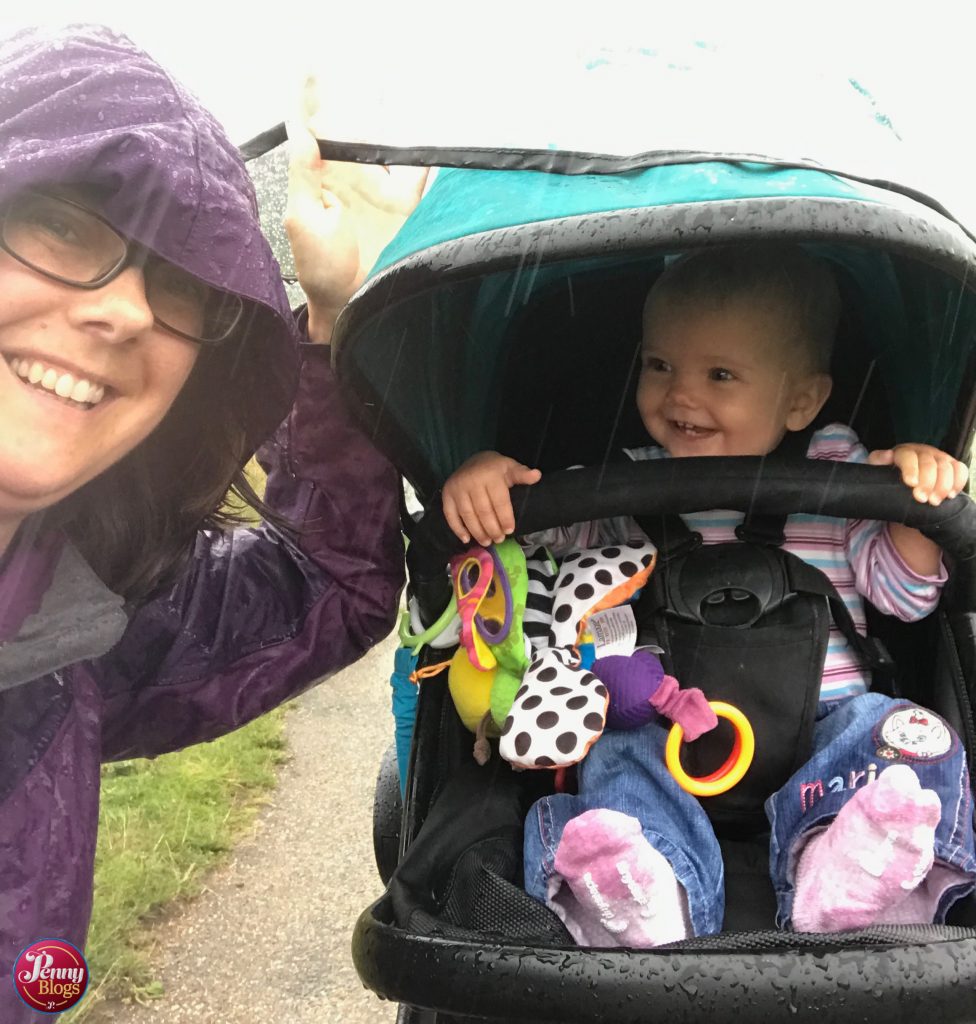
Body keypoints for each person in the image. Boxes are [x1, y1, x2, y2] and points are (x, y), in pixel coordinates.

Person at [0, 23, 421, 1014]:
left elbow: (324, 584)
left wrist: (337, 313)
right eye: (66, 223)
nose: (127, 312)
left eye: (181, 282)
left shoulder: (76, 628)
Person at [441, 244, 976, 945]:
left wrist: (916, 505)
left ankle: (847, 872)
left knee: (903, 732)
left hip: (823, 731)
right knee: (613, 750)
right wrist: (487, 481)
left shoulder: (839, 475)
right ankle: (648, 889)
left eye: (720, 374)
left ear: (801, 400)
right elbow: (543, 546)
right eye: (659, 366)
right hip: (666, 731)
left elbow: (903, 598)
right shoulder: (623, 482)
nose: (680, 395)